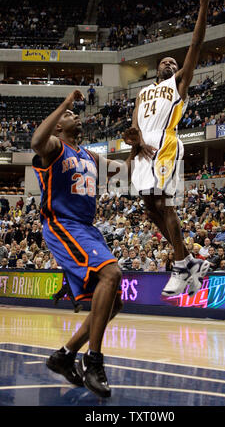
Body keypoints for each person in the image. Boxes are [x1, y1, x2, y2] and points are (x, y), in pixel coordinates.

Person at [31, 89, 142, 398]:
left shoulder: (89, 156)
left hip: (87, 230)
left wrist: (134, 147)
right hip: (62, 224)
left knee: (113, 302)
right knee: (112, 274)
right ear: (57, 125)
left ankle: (64, 355)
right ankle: (94, 361)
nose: (75, 115)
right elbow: (36, 141)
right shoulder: (54, 148)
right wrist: (64, 103)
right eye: (69, 115)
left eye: (74, 113)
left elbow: (127, 173)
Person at [125, 0, 213, 297]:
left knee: (165, 205)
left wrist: (203, 4)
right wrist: (133, 141)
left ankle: (182, 265)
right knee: (150, 209)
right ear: (155, 68)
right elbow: (134, 125)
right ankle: (188, 263)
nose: (169, 62)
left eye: (173, 63)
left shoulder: (178, 84)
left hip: (166, 145)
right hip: (143, 153)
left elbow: (195, 45)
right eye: (164, 61)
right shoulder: (143, 92)